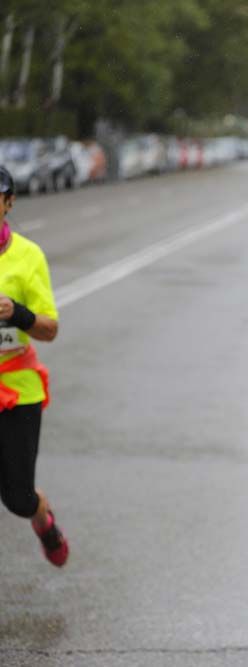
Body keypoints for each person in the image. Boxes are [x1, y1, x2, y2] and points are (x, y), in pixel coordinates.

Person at [0, 166, 68, 567]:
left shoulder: (27, 256)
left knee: (18, 498)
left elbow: (50, 330)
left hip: (18, 392)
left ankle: (44, 522)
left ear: (9, 203)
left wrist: (17, 313)